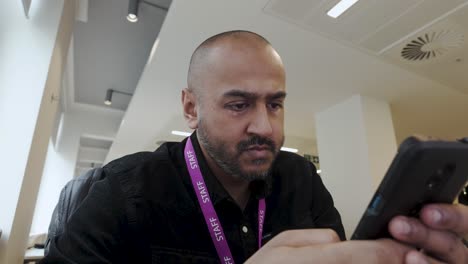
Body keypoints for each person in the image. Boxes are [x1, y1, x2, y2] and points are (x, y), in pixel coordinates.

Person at [41, 30, 468, 263]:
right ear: (191, 108)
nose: (264, 126)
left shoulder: (299, 177)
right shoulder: (122, 191)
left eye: (275, 104)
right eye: (239, 104)